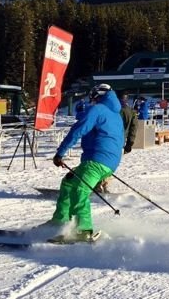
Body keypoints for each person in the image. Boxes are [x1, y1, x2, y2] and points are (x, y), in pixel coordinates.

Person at [49, 83, 124, 241]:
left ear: (97, 95)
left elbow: (78, 130)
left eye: (92, 96)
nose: (91, 99)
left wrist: (60, 153)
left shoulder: (98, 110)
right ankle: (60, 220)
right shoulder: (115, 113)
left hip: (98, 160)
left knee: (80, 189)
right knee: (69, 182)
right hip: (107, 161)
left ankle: (83, 229)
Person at [95, 90, 138, 193]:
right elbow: (134, 128)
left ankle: (98, 184)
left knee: (100, 161)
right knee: (111, 163)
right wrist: (129, 143)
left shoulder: (111, 110)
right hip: (120, 142)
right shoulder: (131, 112)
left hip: (106, 140)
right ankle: (104, 183)